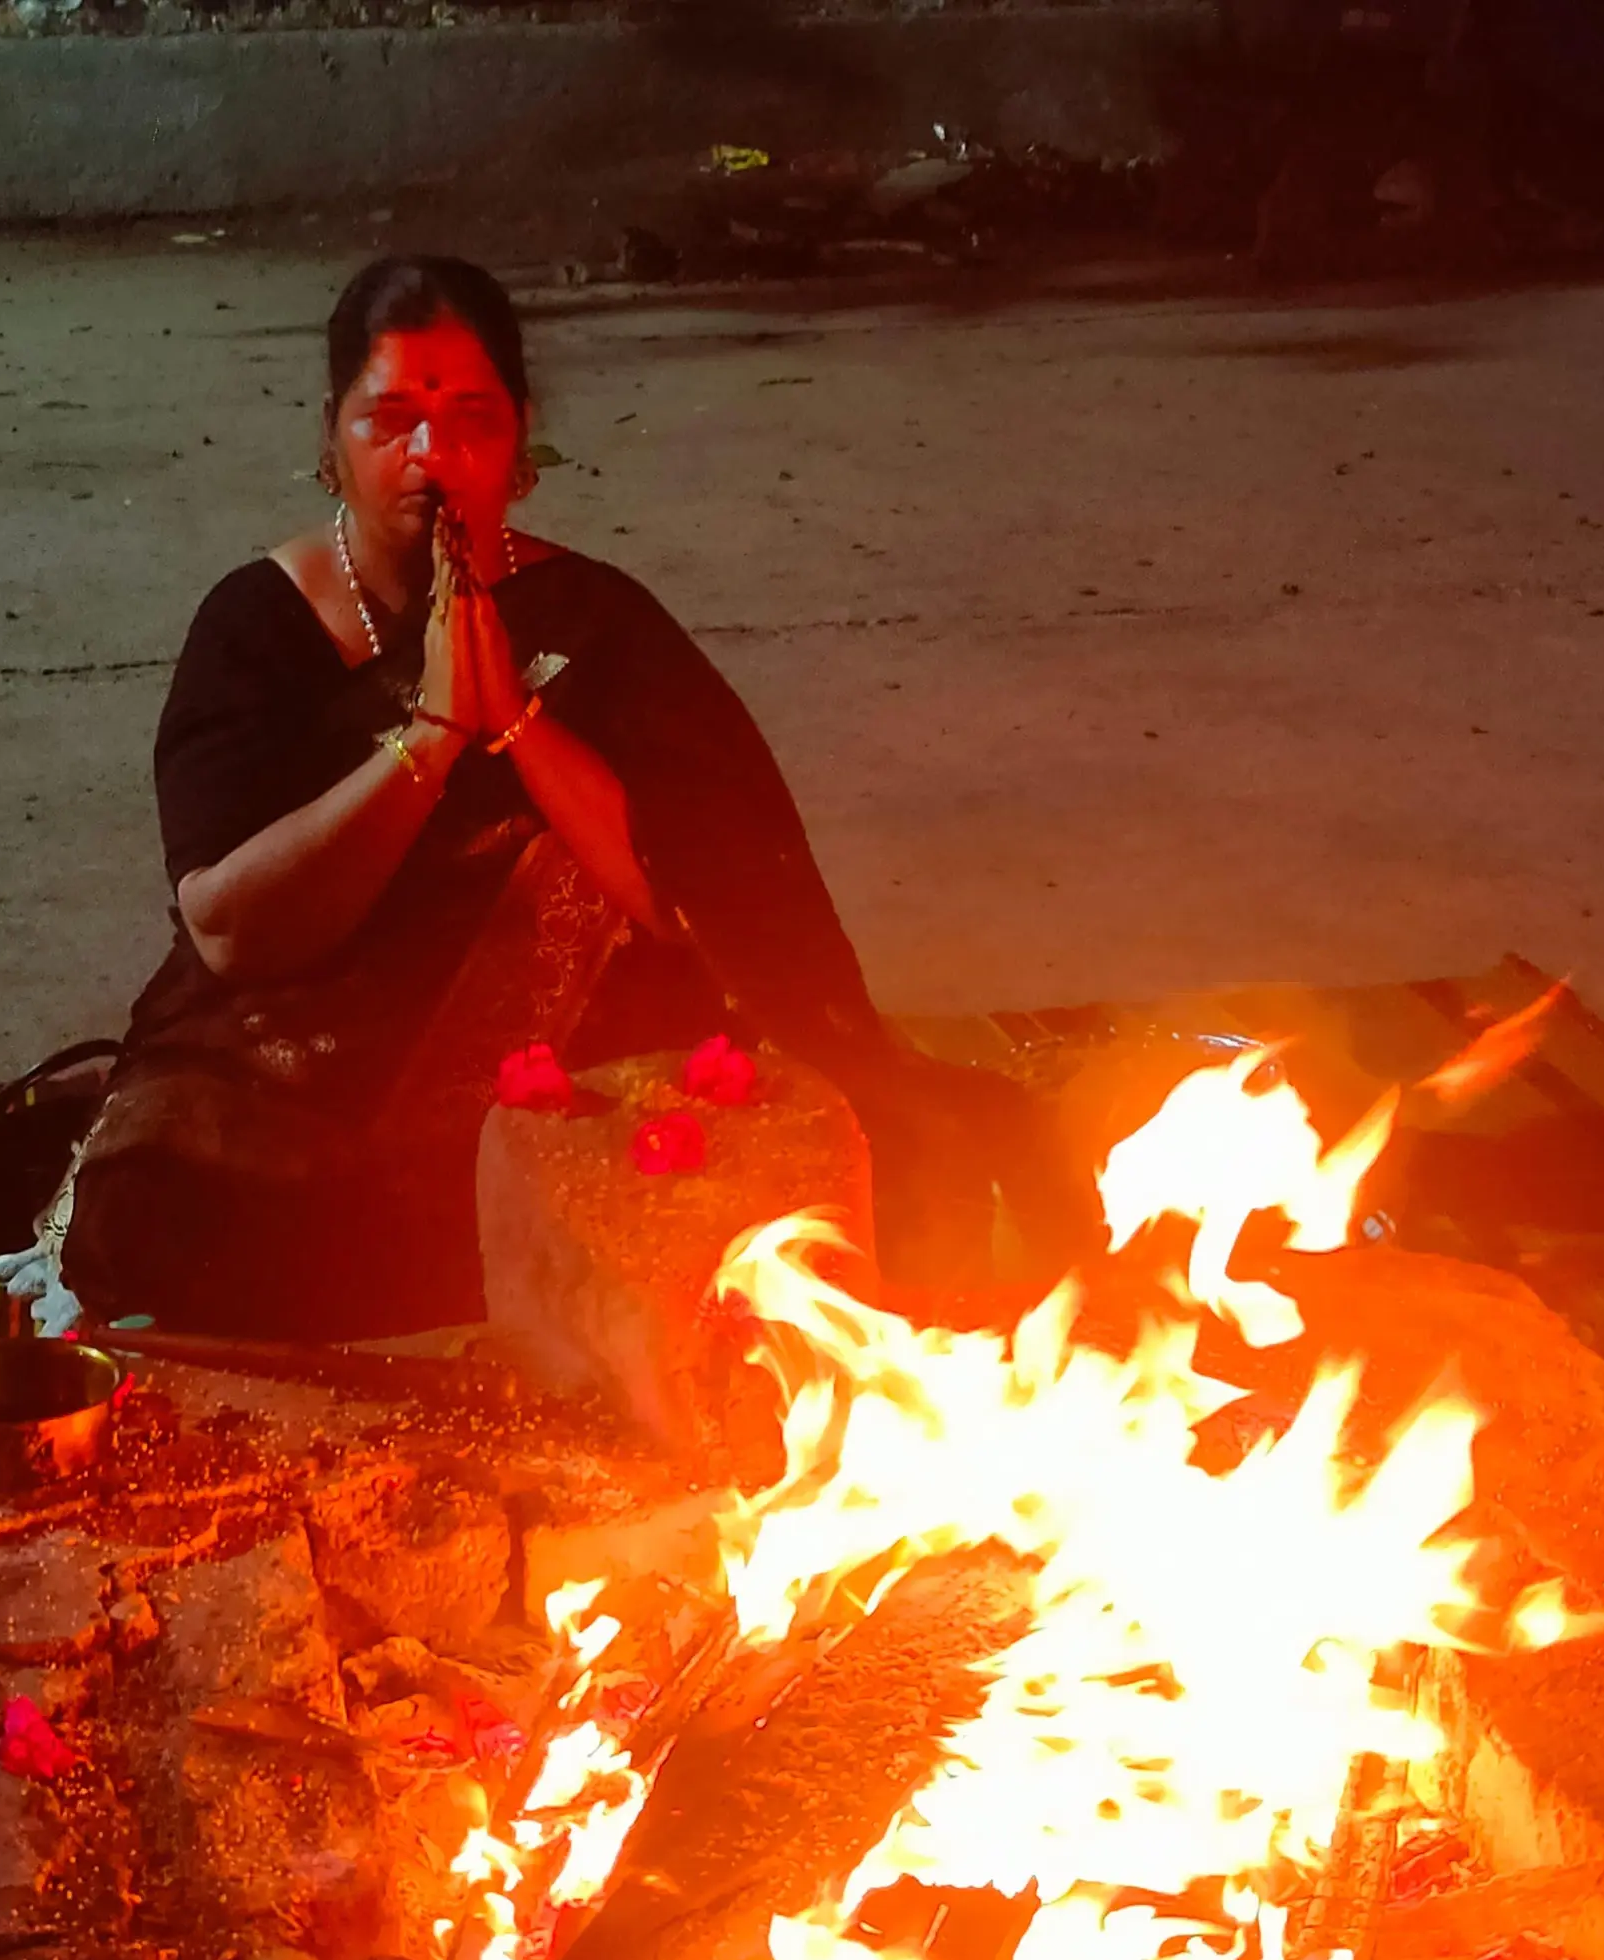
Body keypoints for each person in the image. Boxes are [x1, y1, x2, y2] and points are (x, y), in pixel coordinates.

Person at [62, 253, 1048, 1341]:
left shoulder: (597, 622)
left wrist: (521, 728)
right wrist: (428, 740)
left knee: (806, 1162)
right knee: (173, 1205)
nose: (430, 456)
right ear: (328, 444)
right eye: (388, 420)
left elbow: (683, 902)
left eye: (471, 417)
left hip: (556, 1046)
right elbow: (228, 927)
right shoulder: (256, 626)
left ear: (521, 441)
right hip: (303, 1045)